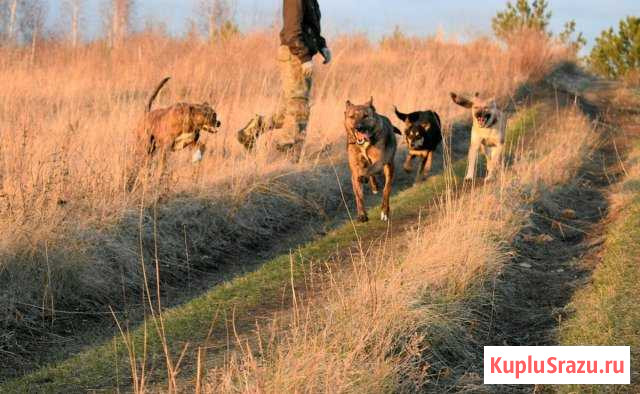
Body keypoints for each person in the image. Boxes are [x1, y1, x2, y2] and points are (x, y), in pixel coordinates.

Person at [237, 0, 331, 158]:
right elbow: (291, 31)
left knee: (290, 108)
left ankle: (252, 130)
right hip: (294, 54)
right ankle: (286, 155)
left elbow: (309, 27)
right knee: (299, 106)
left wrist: (322, 46)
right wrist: (304, 57)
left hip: (298, 53)